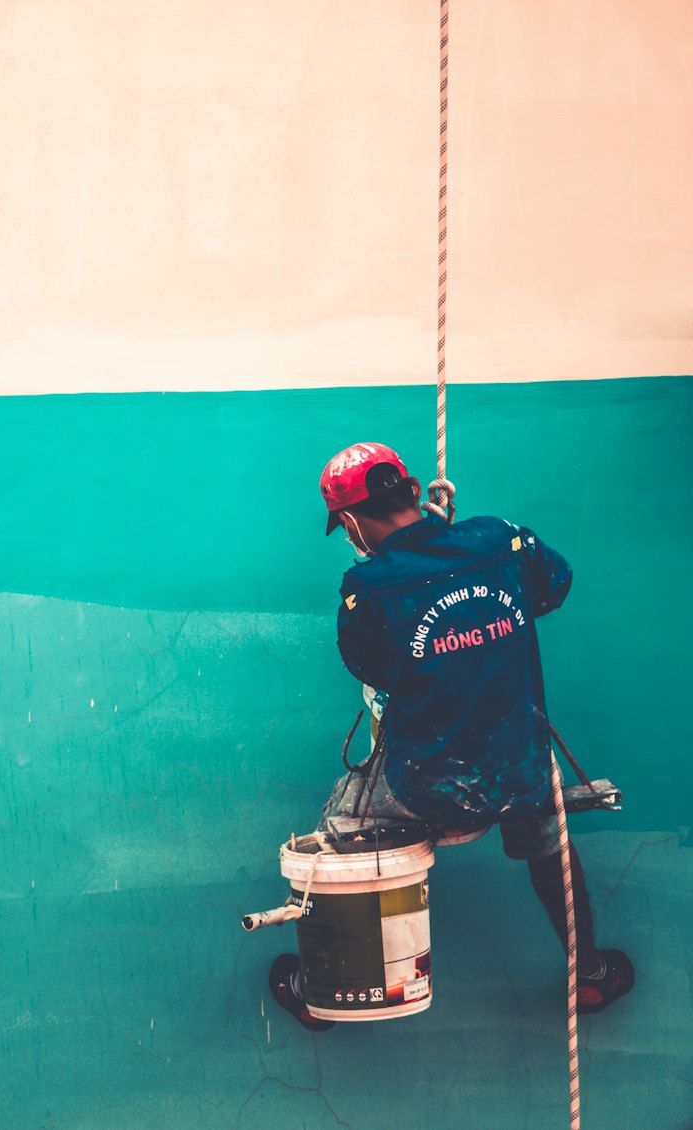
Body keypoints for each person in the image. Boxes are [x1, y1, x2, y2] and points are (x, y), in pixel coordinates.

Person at [269, 441, 633, 1032]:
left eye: (346, 526)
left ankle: (325, 989)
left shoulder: (368, 588)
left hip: (428, 789)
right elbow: (553, 585)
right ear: (414, 490)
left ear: (354, 522)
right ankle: (589, 973)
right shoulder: (500, 539)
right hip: (518, 771)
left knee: (341, 820)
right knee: (545, 819)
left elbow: (372, 668)